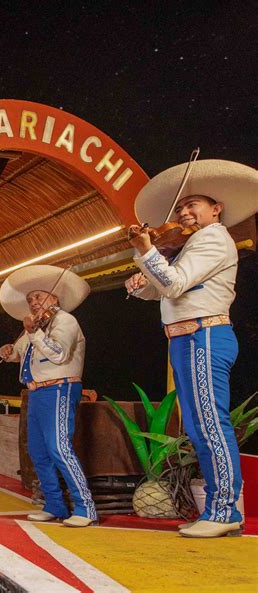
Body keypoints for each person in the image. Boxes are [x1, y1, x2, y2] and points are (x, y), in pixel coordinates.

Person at [125, 159, 257, 538]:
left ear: (216, 209)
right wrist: (142, 273)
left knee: (210, 424)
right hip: (187, 336)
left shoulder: (214, 238)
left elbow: (174, 285)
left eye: (193, 205)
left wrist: (148, 252)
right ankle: (218, 509)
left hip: (204, 335)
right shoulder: (189, 246)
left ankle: (225, 511)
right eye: (181, 207)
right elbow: (159, 288)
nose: (184, 212)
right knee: (200, 428)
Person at [0, 264, 97, 528]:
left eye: (39, 297)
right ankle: (54, 504)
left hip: (59, 388)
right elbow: (18, 354)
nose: (33, 303)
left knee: (59, 448)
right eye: (30, 299)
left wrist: (34, 333)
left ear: (55, 298)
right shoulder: (37, 327)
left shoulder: (65, 321)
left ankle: (85, 507)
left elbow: (58, 353)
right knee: (38, 451)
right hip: (37, 392)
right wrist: (9, 351)